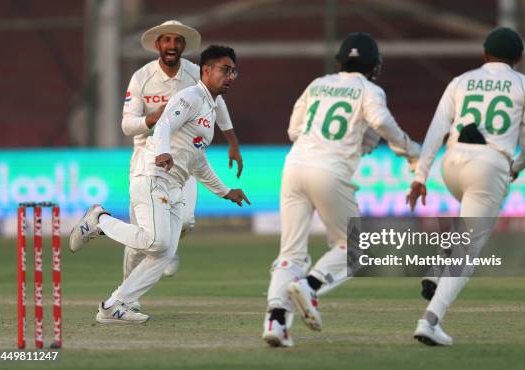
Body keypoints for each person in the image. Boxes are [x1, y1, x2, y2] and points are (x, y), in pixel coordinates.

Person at [69, 45, 250, 324]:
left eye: (233, 71)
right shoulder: (189, 96)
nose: (231, 76)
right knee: (155, 241)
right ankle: (99, 220)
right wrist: (162, 150)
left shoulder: (210, 110)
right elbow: (163, 123)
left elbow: (197, 161)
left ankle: (115, 306)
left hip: (175, 185)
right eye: (225, 70)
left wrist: (225, 192)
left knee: (164, 252)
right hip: (153, 175)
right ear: (206, 70)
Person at [262, 32, 420, 347]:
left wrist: (359, 138)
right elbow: (380, 120)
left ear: (339, 62)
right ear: (375, 66)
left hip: (294, 167)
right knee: (355, 250)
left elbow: (294, 130)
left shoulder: (318, 84)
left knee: (290, 253)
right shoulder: (369, 89)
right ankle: (310, 286)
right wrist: (409, 149)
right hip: (329, 171)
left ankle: (276, 322)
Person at [407, 27, 525, 346]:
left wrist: (419, 176)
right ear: (519, 59)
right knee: (468, 251)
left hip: (452, 164)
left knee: (465, 226)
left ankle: (437, 268)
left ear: (484, 54)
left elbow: (436, 130)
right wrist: (514, 169)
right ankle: (430, 321)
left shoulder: (461, 81)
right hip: (490, 164)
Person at [122, 20, 243, 287]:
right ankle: (125, 293)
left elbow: (217, 103)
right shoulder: (142, 77)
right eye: (167, 40)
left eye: (178, 41)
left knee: (186, 220)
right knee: (141, 238)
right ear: (158, 45)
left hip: (184, 159)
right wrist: (153, 119)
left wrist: (232, 142)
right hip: (148, 158)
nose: (172, 46)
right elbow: (127, 126)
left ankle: (170, 243)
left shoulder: (196, 73)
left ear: (183, 46)